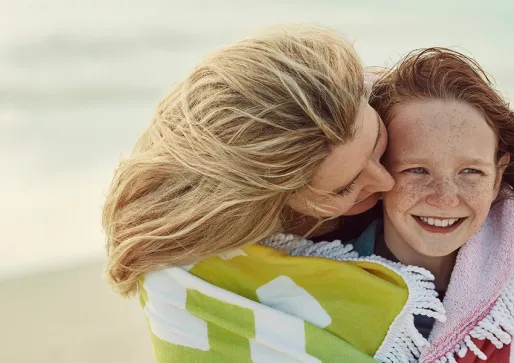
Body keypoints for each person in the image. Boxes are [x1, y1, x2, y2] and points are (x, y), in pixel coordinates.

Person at [102, 25, 424, 363]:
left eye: (376, 143)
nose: (386, 181)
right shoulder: (199, 272)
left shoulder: (383, 100)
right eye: (345, 187)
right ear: (269, 200)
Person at [366, 48, 514, 362]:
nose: (445, 198)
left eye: (471, 172)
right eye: (417, 170)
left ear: (497, 177)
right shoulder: (313, 281)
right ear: (377, 169)